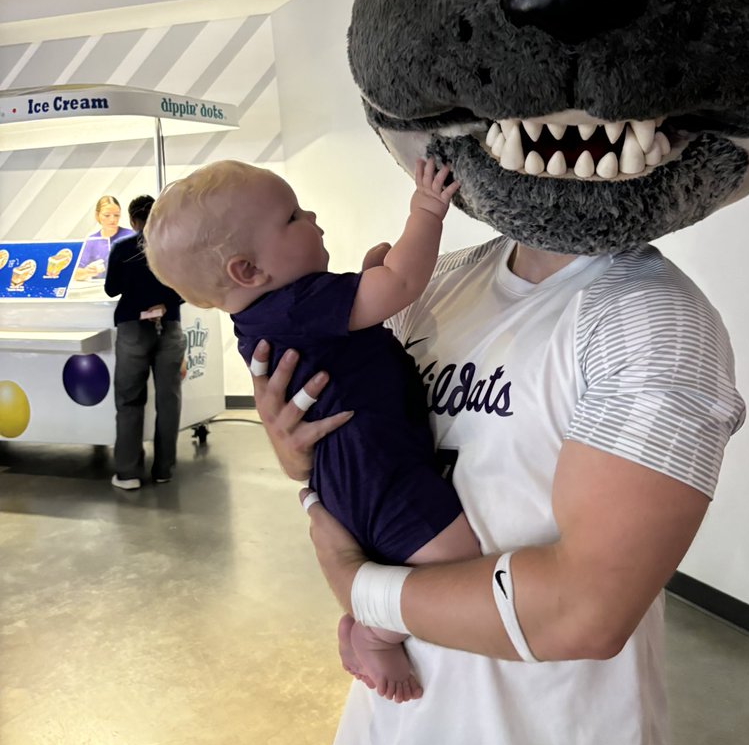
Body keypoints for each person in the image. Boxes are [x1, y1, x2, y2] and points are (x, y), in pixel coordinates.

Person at [252, 232, 745, 745]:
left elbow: (586, 614)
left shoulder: (654, 319)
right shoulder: (437, 280)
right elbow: (367, 452)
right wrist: (298, 453)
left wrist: (362, 592)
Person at [143, 158, 482, 702]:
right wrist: (426, 210)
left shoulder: (271, 313)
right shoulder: (299, 308)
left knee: (421, 561)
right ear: (248, 270)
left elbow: (367, 310)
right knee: (457, 567)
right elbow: (400, 284)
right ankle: (375, 630)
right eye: (293, 216)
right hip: (375, 469)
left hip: (353, 467)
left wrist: (370, 279)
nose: (313, 216)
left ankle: (364, 625)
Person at [104, 195, 184, 490]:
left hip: (132, 328)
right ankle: (164, 469)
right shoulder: (175, 248)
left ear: (133, 221)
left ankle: (128, 474)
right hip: (170, 327)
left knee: (129, 400)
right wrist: (162, 303)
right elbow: (187, 289)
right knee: (169, 400)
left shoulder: (122, 248)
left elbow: (111, 288)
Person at [73, 195, 134, 282]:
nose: (112, 219)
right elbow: (75, 273)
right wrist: (87, 272)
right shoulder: (92, 241)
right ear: (97, 215)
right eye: (107, 215)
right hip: (100, 291)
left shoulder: (131, 236)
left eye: (116, 215)